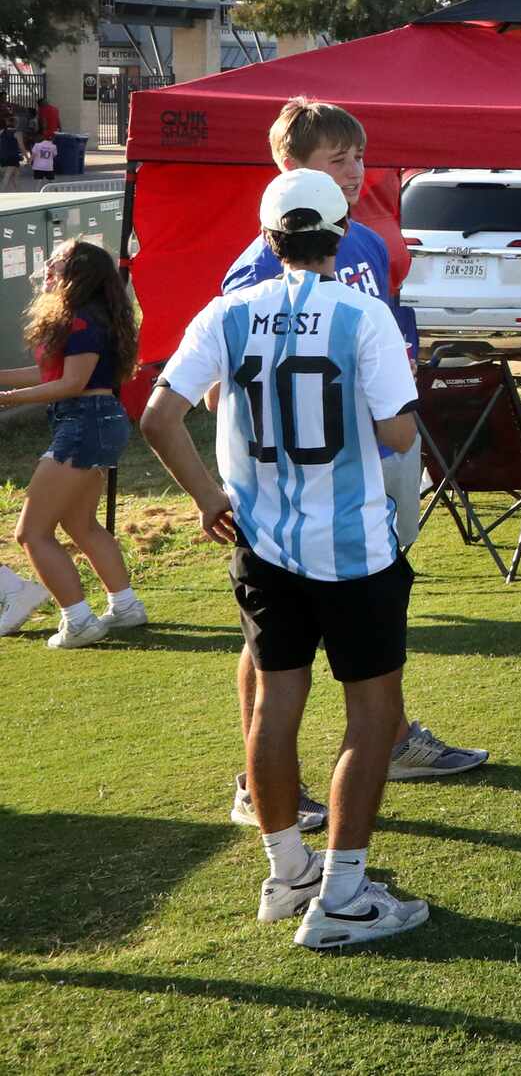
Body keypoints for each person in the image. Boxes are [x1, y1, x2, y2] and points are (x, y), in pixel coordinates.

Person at [140, 168, 434, 948]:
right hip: (354, 544)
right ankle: (340, 894)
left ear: (268, 239)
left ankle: (287, 871)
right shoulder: (363, 314)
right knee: (372, 715)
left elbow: (159, 416)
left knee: (273, 705)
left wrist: (208, 498)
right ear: (341, 234)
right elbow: (400, 434)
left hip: (261, 542)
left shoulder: (228, 311)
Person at [219, 99, 484, 824]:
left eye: (358, 159)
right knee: (277, 637)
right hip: (301, 483)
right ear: (289, 169)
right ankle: (257, 783)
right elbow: (229, 388)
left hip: (372, 462)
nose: (354, 172)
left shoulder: (360, 240)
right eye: (338, 161)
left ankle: (391, 738)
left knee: (371, 617)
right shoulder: (257, 268)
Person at [1, 240, 145, 647]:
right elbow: (49, 372)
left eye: (57, 261)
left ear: (78, 272)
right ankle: (125, 606)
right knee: (79, 523)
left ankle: (78, 620)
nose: (48, 266)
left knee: (31, 533)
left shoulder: (82, 320)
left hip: (85, 424)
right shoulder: (84, 317)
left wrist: (7, 401)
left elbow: (71, 383)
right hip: (94, 424)